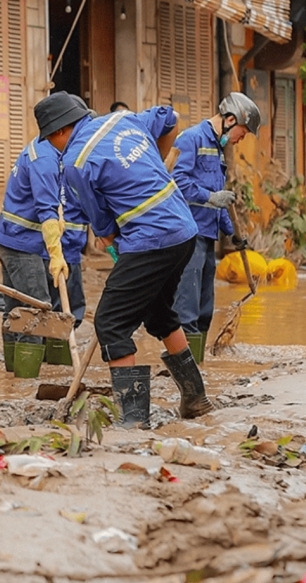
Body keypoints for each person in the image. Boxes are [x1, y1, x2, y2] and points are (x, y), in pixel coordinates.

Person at [41, 93, 213, 428]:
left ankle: (133, 420)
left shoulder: (76, 160)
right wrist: (156, 164)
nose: (53, 146)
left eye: (51, 139)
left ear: (61, 131)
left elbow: (102, 226)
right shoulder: (124, 119)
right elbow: (169, 117)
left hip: (152, 240)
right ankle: (196, 398)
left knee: (110, 322)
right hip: (184, 230)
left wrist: (109, 235)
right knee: (159, 313)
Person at [0, 101, 89, 370]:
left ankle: (15, 373)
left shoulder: (44, 149)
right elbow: (47, 211)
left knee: (16, 309)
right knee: (36, 311)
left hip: (11, 239)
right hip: (23, 245)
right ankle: (26, 381)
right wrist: (57, 254)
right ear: (60, 131)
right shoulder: (46, 160)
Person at [171, 92, 260, 360]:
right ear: (230, 120)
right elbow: (177, 181)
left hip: (207, 235)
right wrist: (209, 196)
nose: (241, 139)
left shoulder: (218, 150)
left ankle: (199, 364)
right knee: (186, 306)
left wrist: (232, 234)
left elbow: (219, 201)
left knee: (204, 309)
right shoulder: (191, 139)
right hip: (189, 235)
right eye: (242, 133)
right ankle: (183, 368)